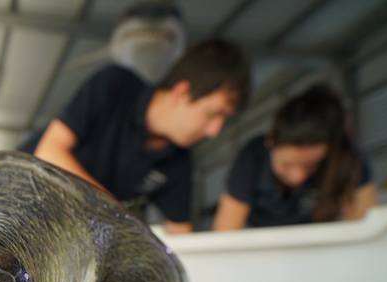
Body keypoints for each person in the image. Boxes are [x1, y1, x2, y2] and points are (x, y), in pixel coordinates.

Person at [23, 39, 251, 234]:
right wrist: (120, 217)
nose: (215, 131)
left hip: (67, 225)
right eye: (213, 114)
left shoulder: (179, 161)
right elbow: (50, 152)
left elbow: (181, 232)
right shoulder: (115, 86)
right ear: (181, 92)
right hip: (16, 196)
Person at [213, 84, 377, 230]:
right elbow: (226, 233)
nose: (298, 177)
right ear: (270, 141)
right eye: (286, 165)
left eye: (311, 165)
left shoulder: (349, 160)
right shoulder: (252, 157)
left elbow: (363, 229)